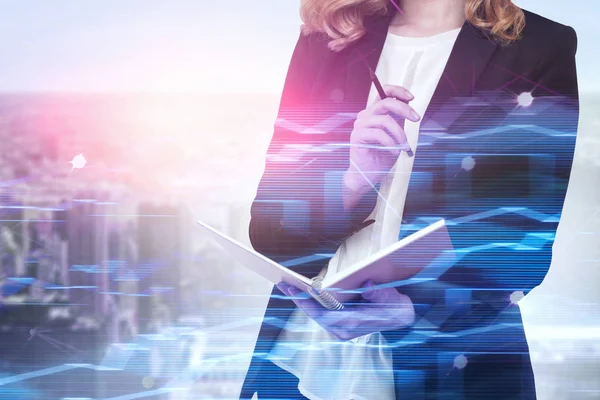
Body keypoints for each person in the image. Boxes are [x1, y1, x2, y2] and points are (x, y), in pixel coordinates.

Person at [240, 0, 579, 398]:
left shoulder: (538, 45)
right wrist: (354, 180)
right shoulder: (327, 36)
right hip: (301, 363)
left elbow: (522, 245)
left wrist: (412, 311)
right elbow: (267, 231)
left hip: (452, 364)